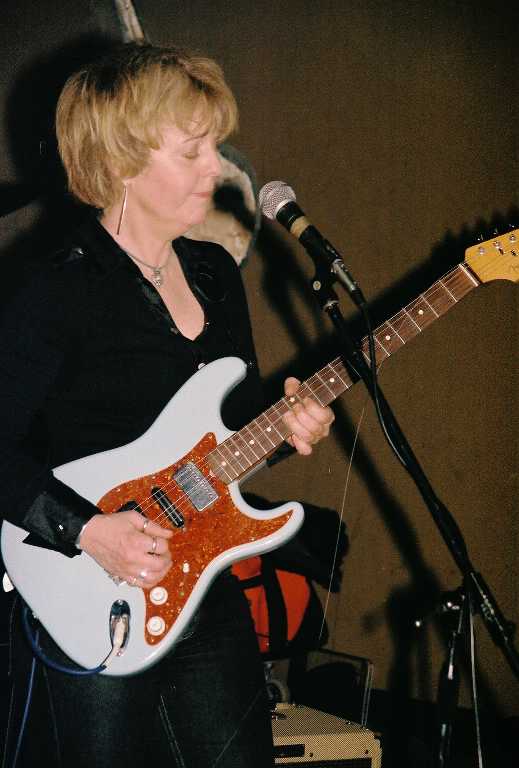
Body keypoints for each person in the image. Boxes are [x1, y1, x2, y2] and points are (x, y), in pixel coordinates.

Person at [0, 42, 334, 768]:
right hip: (91, 591)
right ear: (122, 161)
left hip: (204, 588)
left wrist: (286, 427)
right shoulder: (54, 288)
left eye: (214, 146)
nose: (218, 168)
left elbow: (231, 436)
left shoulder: (214, 273)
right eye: (192, 151)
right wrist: (89, 531)